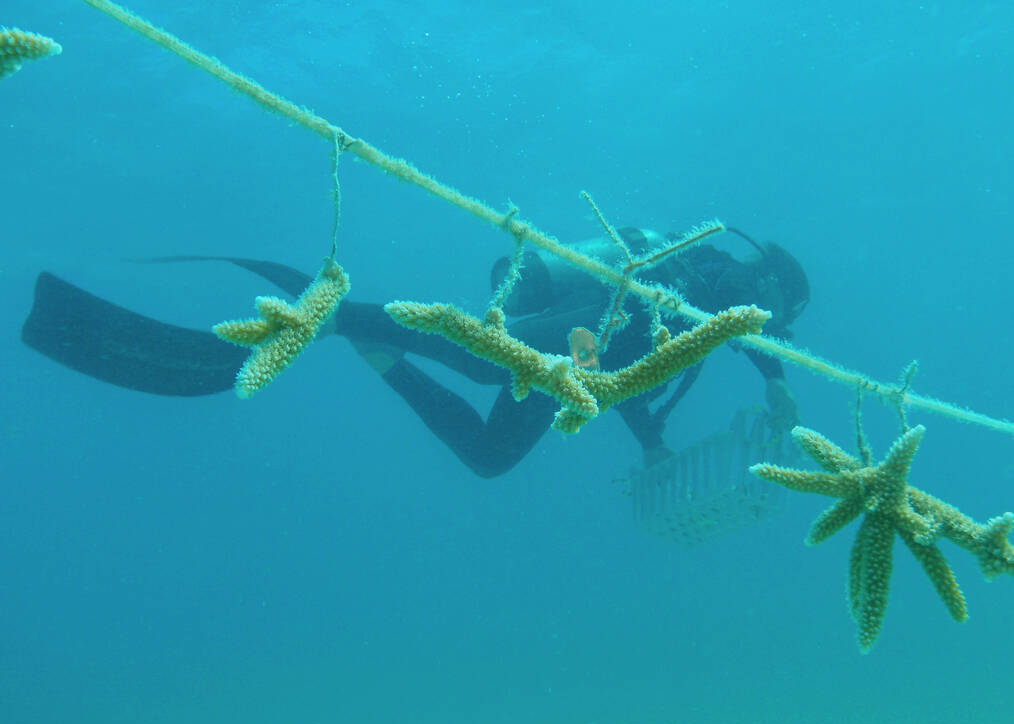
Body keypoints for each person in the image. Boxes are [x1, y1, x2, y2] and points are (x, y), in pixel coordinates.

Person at [20, 226, 809, 477]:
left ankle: (372, 348)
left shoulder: (721, 307)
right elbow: (708, 314)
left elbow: (645, 371)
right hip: (579, 324)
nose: (775, 325)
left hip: (578, 361)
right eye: (781, 310)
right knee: (476, 357)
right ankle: (328, 314)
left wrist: (655, 441)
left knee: (492, 455)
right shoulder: (716, 276)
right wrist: (772, 375)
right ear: (768, 279)